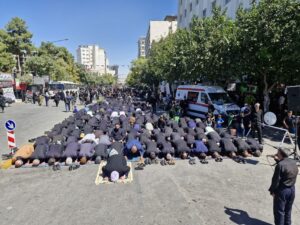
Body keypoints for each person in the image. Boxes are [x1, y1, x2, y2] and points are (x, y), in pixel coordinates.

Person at [269, 148, 298, 225]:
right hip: (292, 189)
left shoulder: (280, 165)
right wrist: (278, 160)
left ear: (281, 154)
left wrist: (272, 191)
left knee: (279, 212)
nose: (276, 153)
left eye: (278, 153)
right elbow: (286, 167)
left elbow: (275, 180)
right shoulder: (293, 162)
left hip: (282, 191)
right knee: (288, 210)